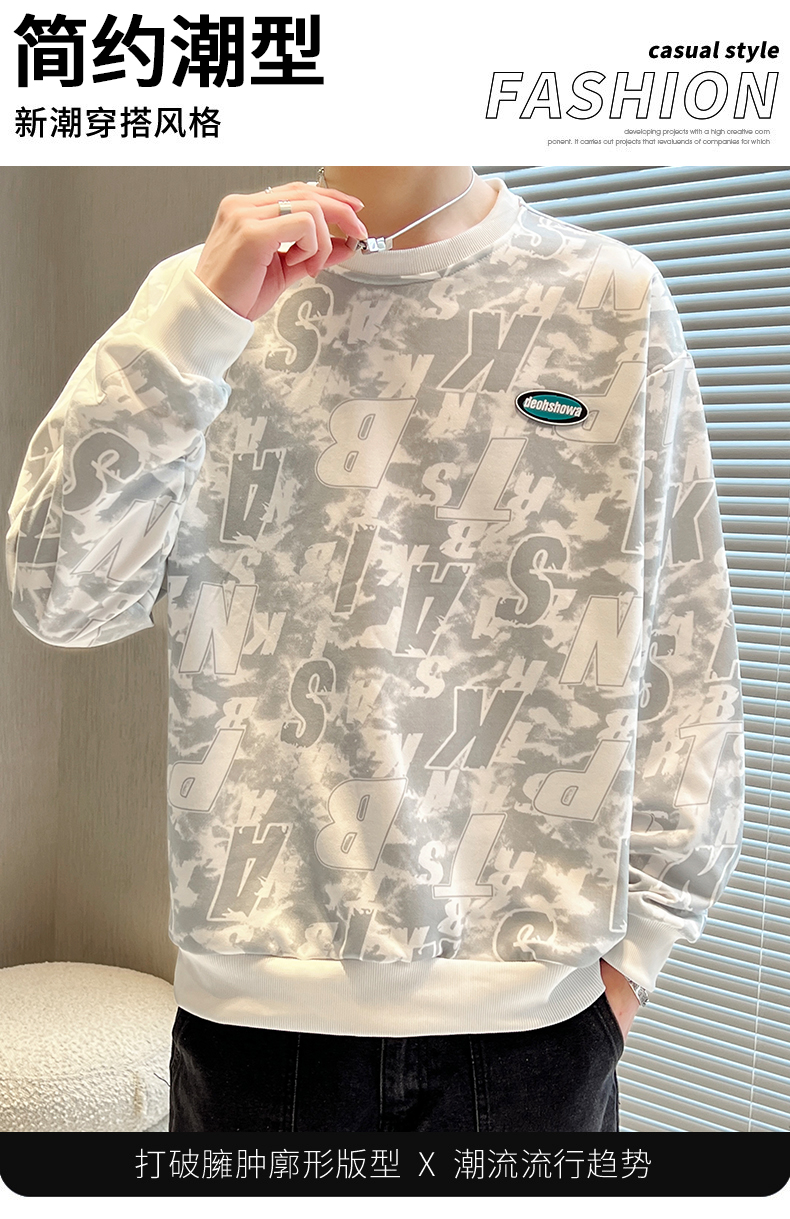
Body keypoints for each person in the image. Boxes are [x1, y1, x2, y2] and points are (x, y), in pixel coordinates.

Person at [6, 166, 744, 1133]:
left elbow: (688, 650)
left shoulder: (611, 297)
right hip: (256, 1027)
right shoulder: (205, 300)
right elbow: (59, 593)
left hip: (537, 1033)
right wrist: (195, 322)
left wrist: (634, 960)